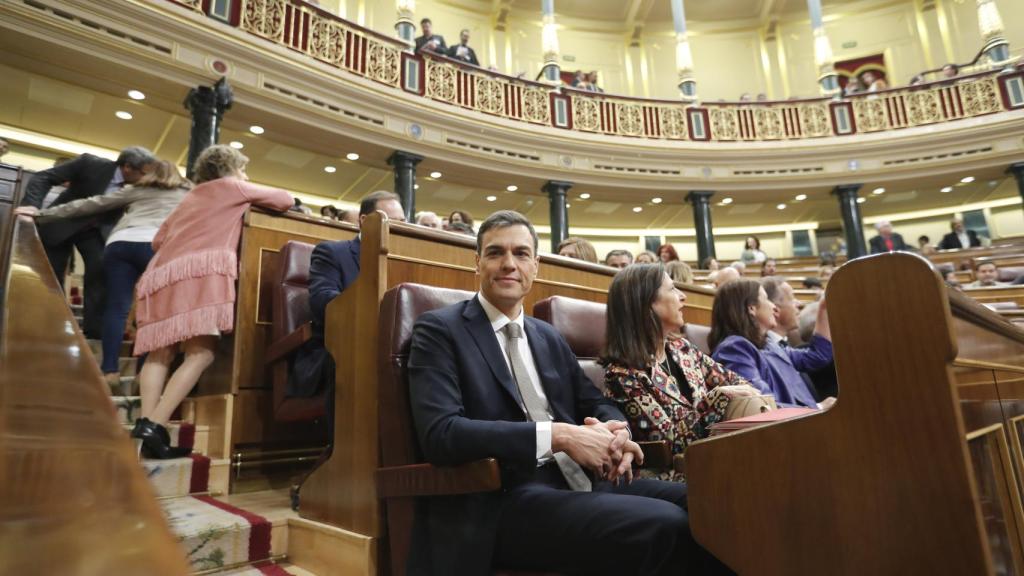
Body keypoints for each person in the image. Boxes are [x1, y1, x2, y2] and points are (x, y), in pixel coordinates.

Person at [407, 210, 725, 575]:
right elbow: (441, 434)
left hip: (583, 482)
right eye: (495, 253)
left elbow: (597, 402)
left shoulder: (547, 336)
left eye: (521, 253)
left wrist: (617, 431)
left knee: (713, 505)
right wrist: (558, 435)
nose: (509, 264)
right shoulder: (440, 330)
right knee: (665, 525)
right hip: (505, 498)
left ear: (536, 266)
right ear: (477, 262)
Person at [129, 145, 293, 458]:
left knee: (160, 354)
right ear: (230, 168)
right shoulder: (232, 187)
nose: (246, 176)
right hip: (200, 274)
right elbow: (285, 199)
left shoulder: (190, 195)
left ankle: (144, 427)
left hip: (161, 274)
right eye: (243, 169)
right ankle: (156, 425)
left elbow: (157, 240)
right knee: (201, 353)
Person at [27, 160, 190, 392]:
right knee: (151, 311)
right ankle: (142, 374)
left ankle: (110, 371)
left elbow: (91, 204)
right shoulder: (188, 193)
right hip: (156, 246)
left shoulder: (136, 190)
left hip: (120, 244)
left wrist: (42, 214)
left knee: (116, 308)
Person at [602, 265, 753, 481]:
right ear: (647, 304)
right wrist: (718, 398)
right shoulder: (622, 375)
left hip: (714, 458)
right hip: (672, 476)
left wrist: (735, 395)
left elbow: (738, 383)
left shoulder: (682, 349)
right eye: (672, 289)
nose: (683, 296)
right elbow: (672, 443)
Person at [18, 146, 156, 339]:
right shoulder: (90, 164)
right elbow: (42, 177)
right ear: (127, 167)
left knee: (101, 275)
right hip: (62, 223)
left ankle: (94, 334)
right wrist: (31, 206)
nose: (146, 177)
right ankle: (47, 326)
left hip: (96, 233)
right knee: (51, 276)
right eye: (143, 173)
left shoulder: (140, 186)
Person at [298, 192, 407, 402]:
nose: (398, 228)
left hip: (394, 345)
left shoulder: (406, 259)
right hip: (340, 348)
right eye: (390, 222)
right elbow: (323, 301)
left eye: (402, 222)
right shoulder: (333, 252)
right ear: (364, 220)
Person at [709, 279, 832, 409]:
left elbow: (816, 356)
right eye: (766, 299)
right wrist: (818, 408)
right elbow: (761, 406)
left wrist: (824, 307)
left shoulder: (769, 345)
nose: (774, 307)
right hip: (793, 421)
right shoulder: (735, 349)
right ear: (751, 308)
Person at [759, 277, 835, 406]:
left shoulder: (781, 346)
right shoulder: (763, 351)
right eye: (792, 298)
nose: (798, 303)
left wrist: (823, 307)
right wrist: (818, 408)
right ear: (775, 310)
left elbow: (819, 356)